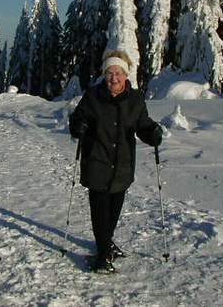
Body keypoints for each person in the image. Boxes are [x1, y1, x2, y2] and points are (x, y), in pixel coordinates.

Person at [69, 50, 163, 274]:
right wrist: (78, 126)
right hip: (97, 161)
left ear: (126, 75)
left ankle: (106, 242)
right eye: (109, 73)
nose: (113, 78)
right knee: (100, 210)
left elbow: (142, 124)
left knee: (113, 211)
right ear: (104, 74)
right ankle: (102, 255)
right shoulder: (93, 96)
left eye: (118, 73)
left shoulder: (135, 99)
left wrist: (152, 132)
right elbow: (78, 117)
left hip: (122, 165)